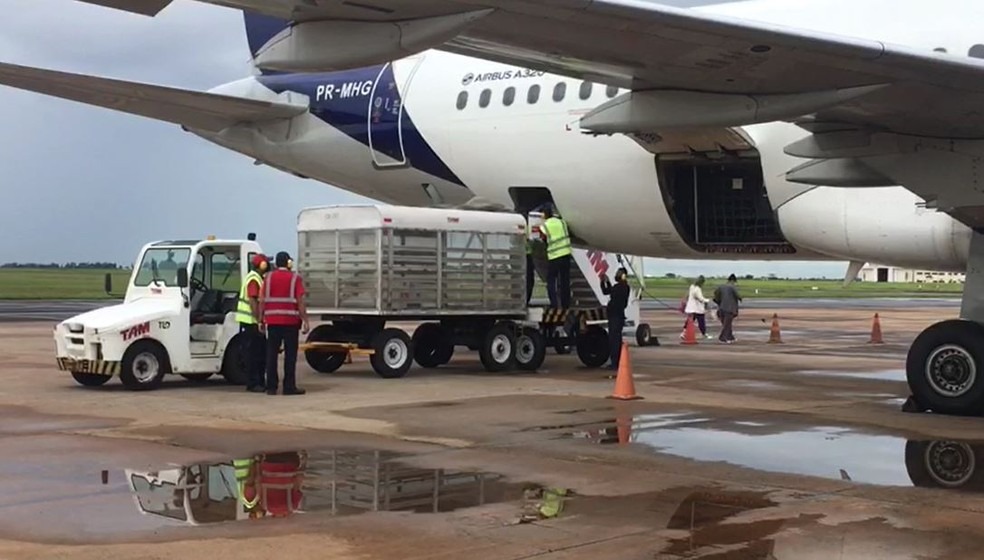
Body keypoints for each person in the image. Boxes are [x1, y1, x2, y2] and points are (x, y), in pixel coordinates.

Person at [259, 251, 309, 396]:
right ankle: (289, 387)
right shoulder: (295, 278)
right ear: (288, 263)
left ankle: (271, 387)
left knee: (271, 354)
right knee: (290, 356)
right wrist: (305, 320)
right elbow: (300, 301)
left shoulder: (267, 278)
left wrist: (261, 319)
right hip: (290, 322)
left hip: (272, 322)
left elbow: (262, 300)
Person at [236, 253, 269, 393]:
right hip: (251, 322)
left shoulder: (255, 278)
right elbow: (253, 301)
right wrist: (259, 320)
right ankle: (253, 383)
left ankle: (258, 381)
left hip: (250, 322)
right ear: (262, 265)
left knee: (259, 353)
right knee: (254, 354)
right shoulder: (254, 280)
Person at [540, 206, 572, 309]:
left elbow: (543, 239)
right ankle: (565, 304)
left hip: (554, 257)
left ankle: (554, 304)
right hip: (566, 254)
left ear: (544, 215)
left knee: (551, 280)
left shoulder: (545, 226)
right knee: (565, 281)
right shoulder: (561, 222)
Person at [601, 267, 631, 370]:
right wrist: (604, 282)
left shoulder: (622, 287)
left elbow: (610, 291)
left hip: (616, 317)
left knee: (614, 340)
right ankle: (615, 361)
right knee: (614, 339)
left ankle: (615, 362)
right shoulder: (621, 287)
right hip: (615, 316)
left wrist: (607, 282)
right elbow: (607, 291)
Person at [682, 275, 713, 340]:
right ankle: (703, 334)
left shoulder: (692, 287)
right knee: (701, 322)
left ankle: (684, 333)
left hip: (691, 308)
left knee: (689, 321)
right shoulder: (697, 289)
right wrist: (707, 300)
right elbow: (700, 298)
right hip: (697, 309)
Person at [713, 274, 743, 344]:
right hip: (729, 309)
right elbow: (738, 296)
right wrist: (740, 299)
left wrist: (719, 301)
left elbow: (715, 295)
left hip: (721, 308)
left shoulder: (721, 287)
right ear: (733, 280)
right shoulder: (732, 287)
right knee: (727, 325)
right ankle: (722, 337)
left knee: (726, 324)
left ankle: (730, 336)